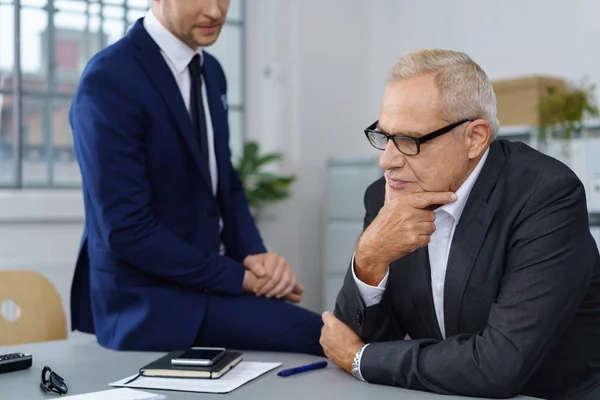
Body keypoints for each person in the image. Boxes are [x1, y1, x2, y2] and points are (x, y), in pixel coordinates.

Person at [320, 49, 600, 400]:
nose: (386, 161)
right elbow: (347, 337)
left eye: (409, 141)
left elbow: (499, 366)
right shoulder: (385, 196)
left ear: (475, 138)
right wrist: (369, 258)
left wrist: (360, 359)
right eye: (384, 136)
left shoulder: (545, 195)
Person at [68, 0, 323, 355]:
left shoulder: (211, 71)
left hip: (210, 285)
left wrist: (255, 256)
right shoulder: (110, 77)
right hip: (149, 302)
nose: (216, 12)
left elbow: (225, 180)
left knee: (327, 334)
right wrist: (241, 279)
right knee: (322, 337)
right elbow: (127, 231)